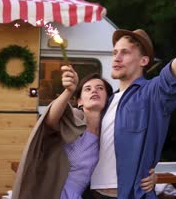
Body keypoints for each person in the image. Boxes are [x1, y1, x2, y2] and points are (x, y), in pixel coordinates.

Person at [89, 0, 176, 199]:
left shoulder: (152, 94)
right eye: (114, 52)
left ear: (143, 60)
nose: (117, 57)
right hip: (93, 193)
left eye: (125, 52)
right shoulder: (108, 100)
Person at [11, 67, 156, 199]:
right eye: (87, 89)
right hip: (52, 192)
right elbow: (49, 122)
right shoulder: (75, 117)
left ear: (108, 99)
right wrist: (68, 91)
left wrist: (151, 176)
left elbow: (131, 159)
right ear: (80, 100)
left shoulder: (112, 131)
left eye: (100, 88)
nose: (94, 91)